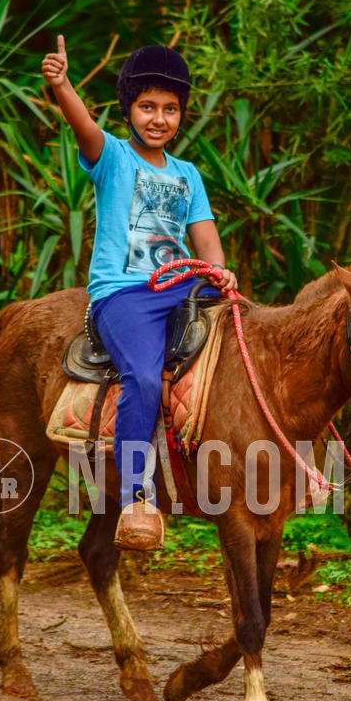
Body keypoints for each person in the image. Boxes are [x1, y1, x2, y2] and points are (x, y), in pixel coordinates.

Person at [42, 37, 237, 551]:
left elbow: (206, 241)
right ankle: (135, 494)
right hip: (124, 294)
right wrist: (62, 85)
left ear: (180, 116)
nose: (159, 118)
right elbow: (82, 126)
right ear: (128, 108)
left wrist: (220, 275)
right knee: (144, 376)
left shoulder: (188, 174)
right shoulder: (112, 157)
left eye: (170, 109)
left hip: (183, 289)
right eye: (147, 106)